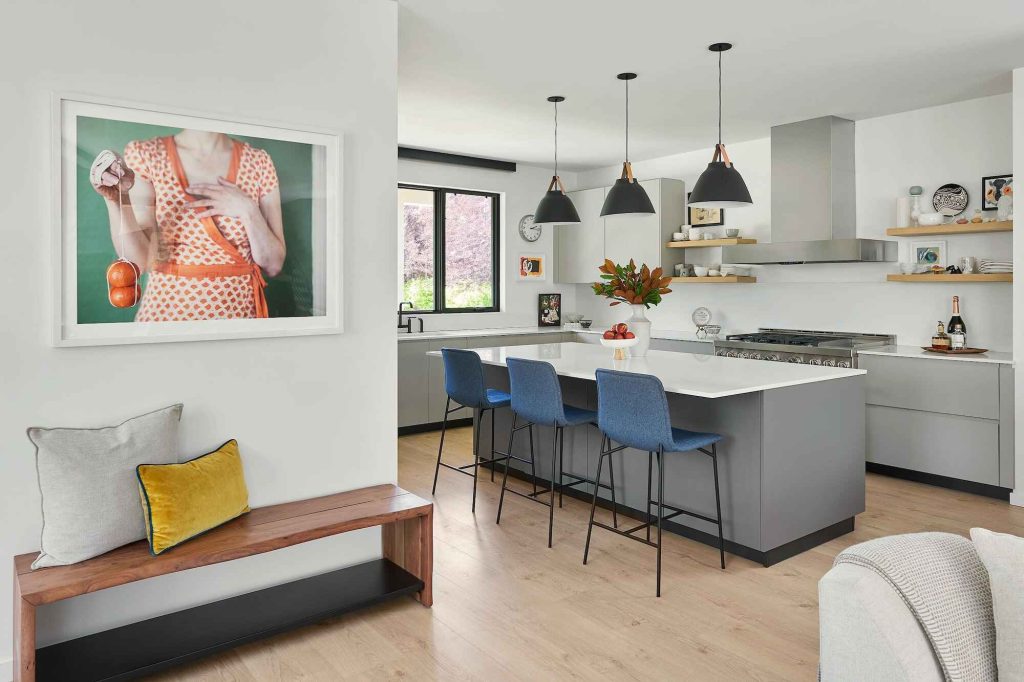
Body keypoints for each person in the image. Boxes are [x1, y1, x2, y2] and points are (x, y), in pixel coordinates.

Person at [90, 129, 285, 321]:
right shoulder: (147, 154)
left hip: (239, 316)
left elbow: (274, 265)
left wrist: (248, 210)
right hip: (166, 316)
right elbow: (141, 260)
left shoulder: (258, 161)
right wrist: (117, 199)